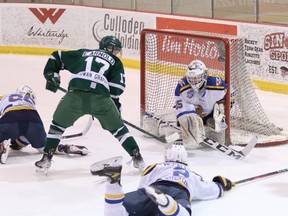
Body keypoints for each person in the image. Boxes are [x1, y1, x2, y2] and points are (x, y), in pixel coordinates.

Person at [35, 35, 145, 173]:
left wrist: (52, 75)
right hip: (100, 98)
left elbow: (56, 56)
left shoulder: (83, 53)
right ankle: (138, 159)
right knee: (119, 131)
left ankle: (46, 158)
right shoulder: (115, 61)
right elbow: (116, 88)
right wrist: (115, 109)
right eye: (115, 50)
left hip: (75, 93)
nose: (116, 53)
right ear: (108, 48)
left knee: (57, 125)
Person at [92, 144, 234, 216]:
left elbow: (142, 186)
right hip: (179, 192)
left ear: (166, 158)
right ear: (185, 160)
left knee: (119, 211)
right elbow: (210, 190)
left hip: (152, 189)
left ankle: (113, 183)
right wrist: (221, 185)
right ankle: (168, 205)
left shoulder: (154, 167)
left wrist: (141, 204)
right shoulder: (191, 174)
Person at [0, 85, 89, 164]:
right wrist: (16, 145)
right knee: (45, 148)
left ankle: (3, 143)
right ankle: (64, 148)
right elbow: (19, 143)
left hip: (11, 117)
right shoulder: (30, 101)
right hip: (33, 119)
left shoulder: (6, 97)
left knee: (11, 132)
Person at [173, 59, 233, 148]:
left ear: (205, 75)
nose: (194, 81)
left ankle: (207, 125)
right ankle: (192, 133)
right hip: (195, 115)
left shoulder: (216, 84)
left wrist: (222, 108)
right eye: (191, 78)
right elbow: (180, 106)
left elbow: (231, 95)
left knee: (217, 131)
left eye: (197, 78)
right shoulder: (182, 86)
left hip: (211, 114)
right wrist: (183, 122)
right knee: (187, 115)